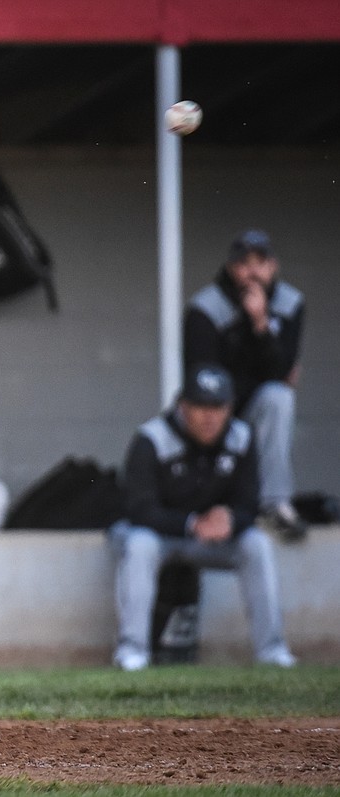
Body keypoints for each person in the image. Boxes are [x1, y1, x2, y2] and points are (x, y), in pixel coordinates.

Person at [108, 362, 297, 672]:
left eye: (218, 406)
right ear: (183, 405)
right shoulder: (152, 438)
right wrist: (192, 523)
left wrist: (231, 519)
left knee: (256, 544)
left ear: (230, 407)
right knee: (140, 544)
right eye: (200, 406)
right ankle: (132, 652)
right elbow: (139, 509)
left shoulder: (241, 437)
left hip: (210, 540)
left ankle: (273, 652)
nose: (210, 416)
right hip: (162, 536)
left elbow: (250, 503)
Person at [184, 229, 307, 541]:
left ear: (273, 266)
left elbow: (282, 374)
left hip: (254, 408)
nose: (252, 272)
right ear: (230, 268)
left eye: (260, 262)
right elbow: (205, 383)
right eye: (243, 264)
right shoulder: (206, 308)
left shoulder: (290, 303)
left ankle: (275, 504)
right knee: (210, 407)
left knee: (278, 398)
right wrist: (267, 370)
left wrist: (261, 325)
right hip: (216, 415)